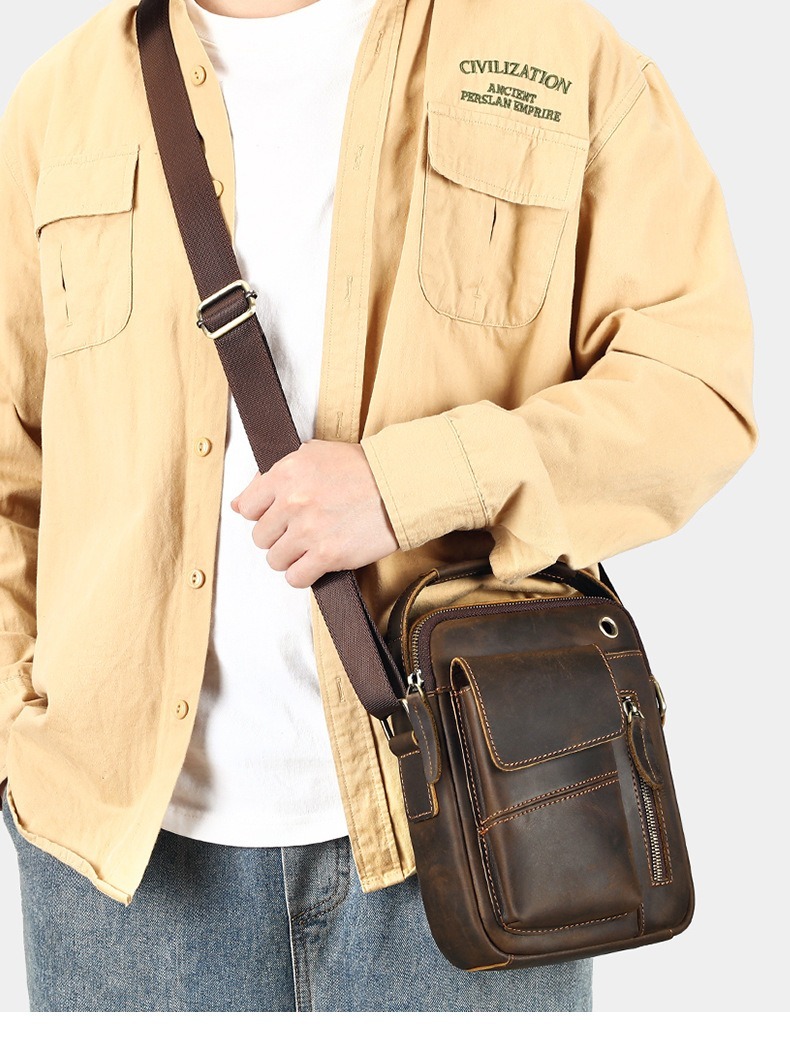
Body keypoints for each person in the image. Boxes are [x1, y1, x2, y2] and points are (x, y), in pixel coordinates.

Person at [0, 0, 757, 1014]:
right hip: (113, 863)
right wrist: (18, 729)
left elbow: (694, 388)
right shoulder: (58, 103)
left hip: (482, 818)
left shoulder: (557, 55)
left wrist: (411, 485)